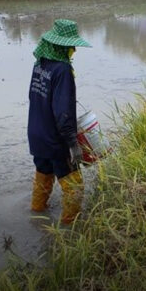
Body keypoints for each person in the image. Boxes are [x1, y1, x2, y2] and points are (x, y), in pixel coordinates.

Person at [27, 19, 91, 224]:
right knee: (75, 185)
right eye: (72, 46)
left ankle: (36, 213)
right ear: (63, 46)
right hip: (56, 139)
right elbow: (63, 113)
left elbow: (33, 97)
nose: (74, 50)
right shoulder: (62, 70)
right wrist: (73, 145)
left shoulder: (40, 64)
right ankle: (69, 229)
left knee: (43, 175)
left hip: (37, 134)